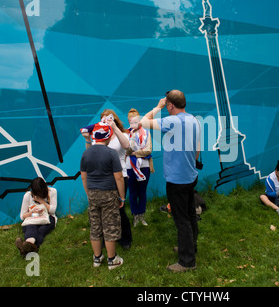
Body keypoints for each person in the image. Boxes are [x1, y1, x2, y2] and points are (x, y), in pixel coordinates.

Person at [140, 89, 200, 272]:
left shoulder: (172, 120)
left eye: (166, 105)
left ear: (170, 105)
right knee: (190, 215)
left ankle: (187, 261)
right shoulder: (194, 120)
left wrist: (157, 107)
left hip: (177, 180)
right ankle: (190, 248)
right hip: (190, 175)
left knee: (181, 219)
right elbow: (197, 148)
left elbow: (142, 122)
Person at [81, 109, 132, 250]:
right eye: (102, 119)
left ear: (114, 119)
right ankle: (106, 239)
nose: (105, 121)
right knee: (103, 212)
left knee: (119, 210)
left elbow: (127, 146)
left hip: (120, 175)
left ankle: (125, 239)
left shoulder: (120, 133)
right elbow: (89, 151)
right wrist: (87, 139)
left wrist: (114, 127)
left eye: (108, 119)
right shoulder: (98, 134)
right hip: (103, 177)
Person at [80, 121, 125, 270]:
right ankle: (112, 260)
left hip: (92, 193)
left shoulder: (86, 153)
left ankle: (97, 258)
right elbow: (118, 177)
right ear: (108, 136)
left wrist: (88, 193)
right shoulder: (111, 153)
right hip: (108, 193)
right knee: (110, 225)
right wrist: (122, 197)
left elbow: (83, 176)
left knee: (95, 225)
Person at [125, 108, 154, 227]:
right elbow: (126, 151)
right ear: (129, 121)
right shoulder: (126, 134)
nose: (134, 124)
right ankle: (135, 215)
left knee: (142, 192)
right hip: (130, 167)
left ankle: (141, 214)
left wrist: (135, 153)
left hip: (145, 166)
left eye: (136, 121)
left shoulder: (146, 133)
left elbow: (148, 151)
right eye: (131, 122)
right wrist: (131, 144)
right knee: (132, 192)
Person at [16, 177, 57, 256]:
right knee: (31, 229)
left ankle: (25, 249)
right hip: (32, 218)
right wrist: (31, 213)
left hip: (48, 218)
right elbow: (22, 216)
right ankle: (29, 247)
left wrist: (41, 201)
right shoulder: (27, 196)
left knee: (41, 231)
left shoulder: (52, 192)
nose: (40, 195)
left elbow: (52, 210)